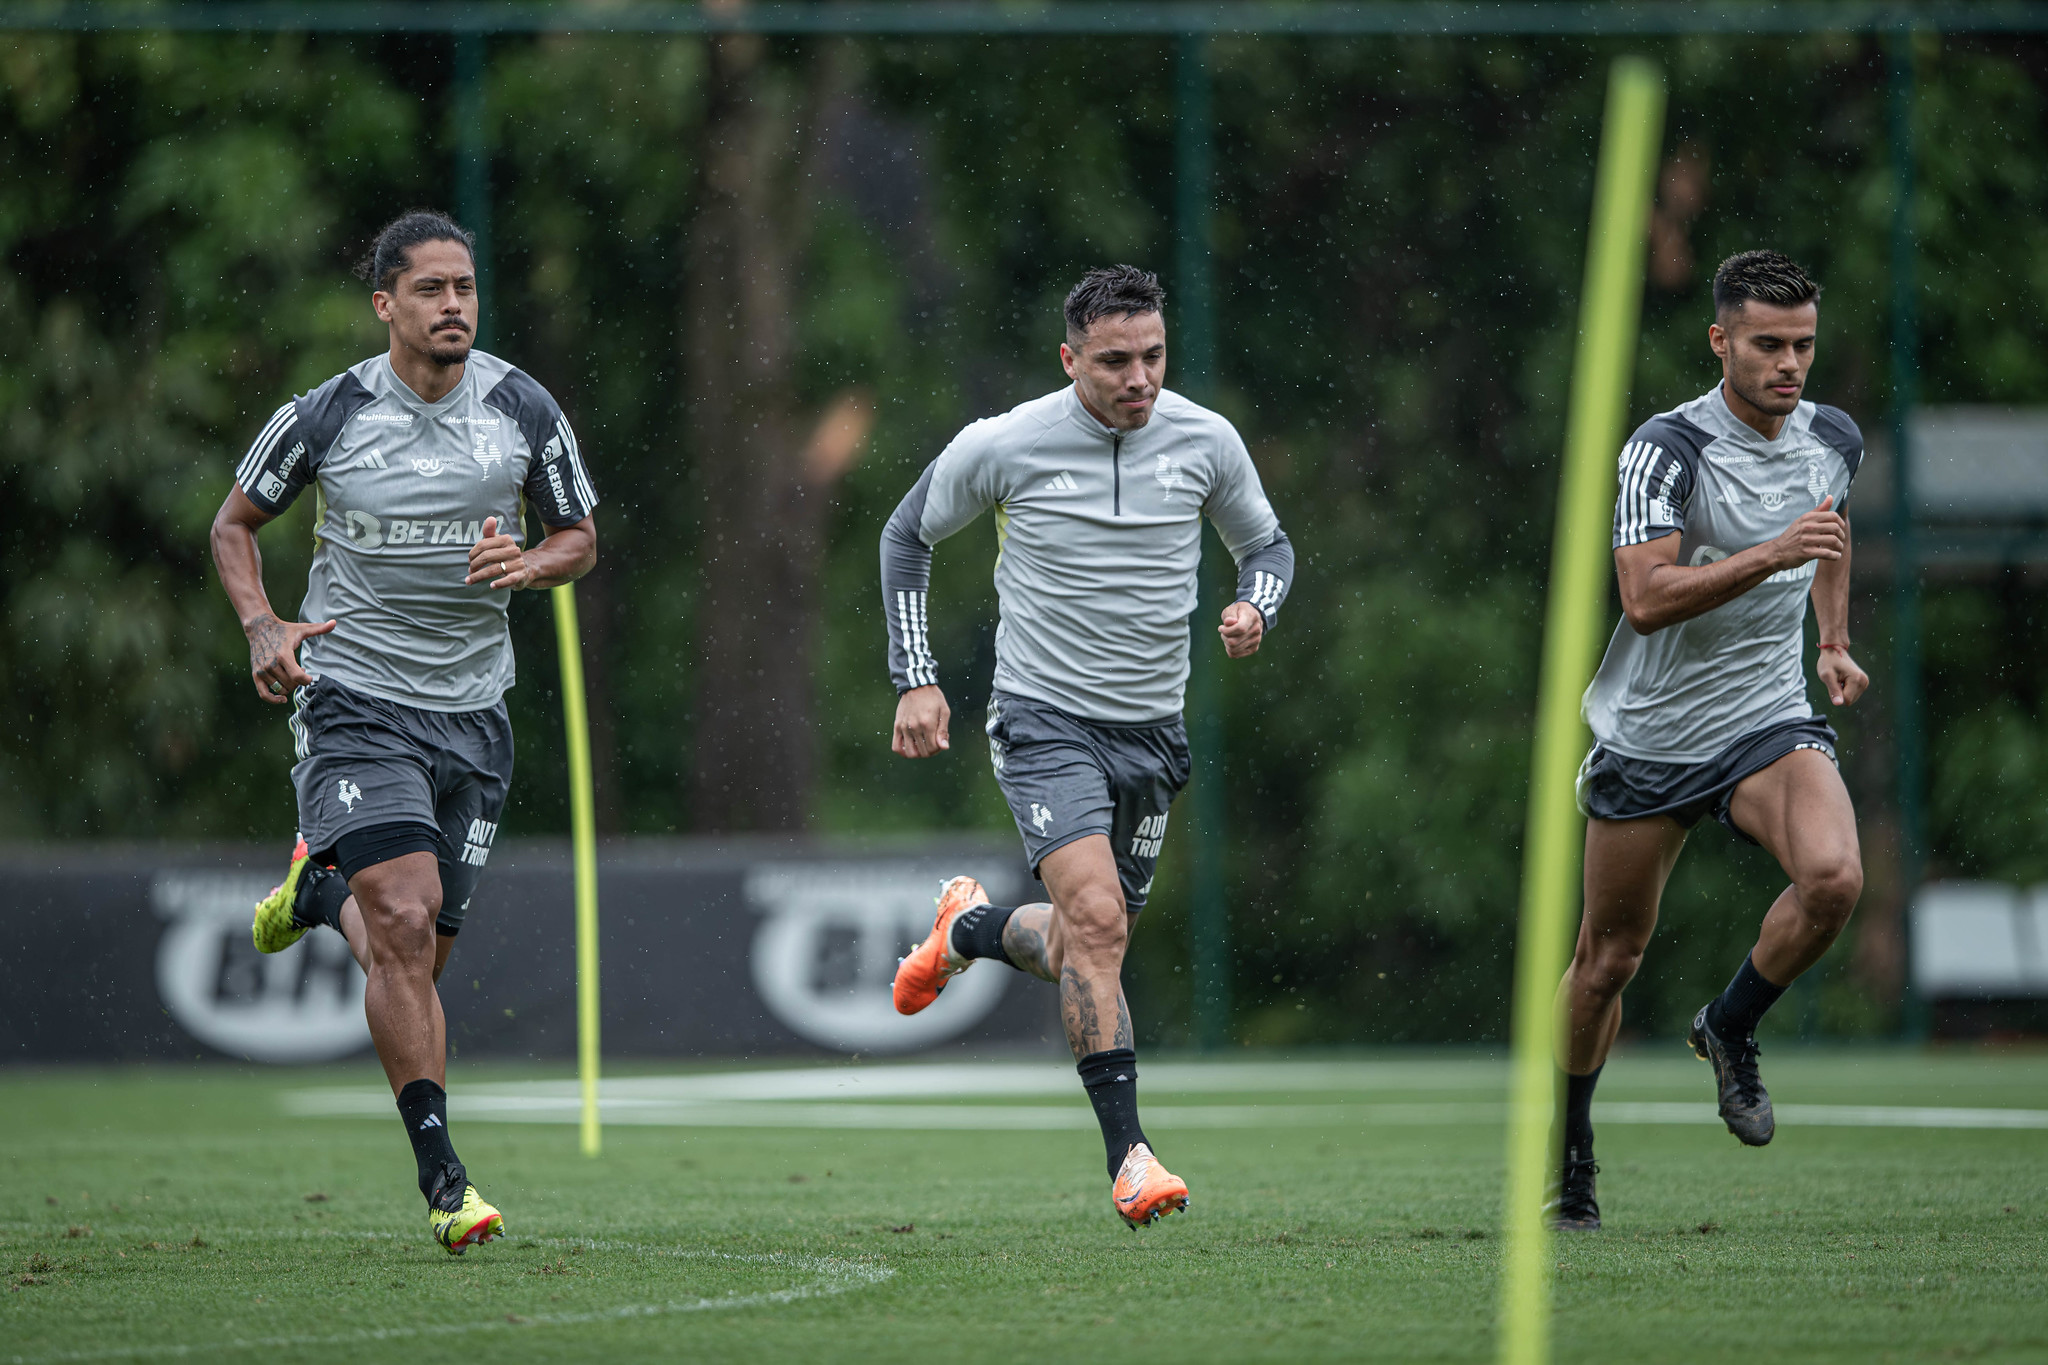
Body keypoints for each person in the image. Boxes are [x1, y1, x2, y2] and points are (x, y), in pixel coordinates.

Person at [210, 211, 599, 1253]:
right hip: (355, 701)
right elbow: (232, 524)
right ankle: (445, 1181)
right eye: (430, 290)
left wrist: (529, 563)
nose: (453, 307)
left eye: (465, 288)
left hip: (474, 714)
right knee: (405, 915)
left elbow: (580, 537)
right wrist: (262, 626)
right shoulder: (326, 415)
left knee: (418, 951)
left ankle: (317, 889)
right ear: (385, 303)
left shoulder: (521, 407)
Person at [878, 265, 1295, 1228]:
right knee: (1099, 926)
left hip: (1153, 731)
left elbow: (1266, 547)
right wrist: (915, 673)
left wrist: (1253, 606)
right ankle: (1131, 1157)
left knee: (1077, 943)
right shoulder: (1009, 442)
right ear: (1070, 360)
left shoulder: (1206, 440)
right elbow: (908, 533)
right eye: (1114, 361)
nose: (1139, 378)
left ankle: (968, 931)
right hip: (1043, 722)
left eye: (1152, 356)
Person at [1551, 250, 1869, 1230]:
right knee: (1606, 960)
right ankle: (1569, 1160)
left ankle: (1725, 1027)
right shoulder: (1664, 448)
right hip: (1647, 738)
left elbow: (1828, 534)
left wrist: (1830, 640)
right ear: (1718, 341)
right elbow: (1642, 600)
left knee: (1833, 880)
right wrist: (1766, 550)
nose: (1787, 365)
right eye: (1766, 345)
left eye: (1802, 345)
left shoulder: (1831, 438)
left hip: (1762, 720)